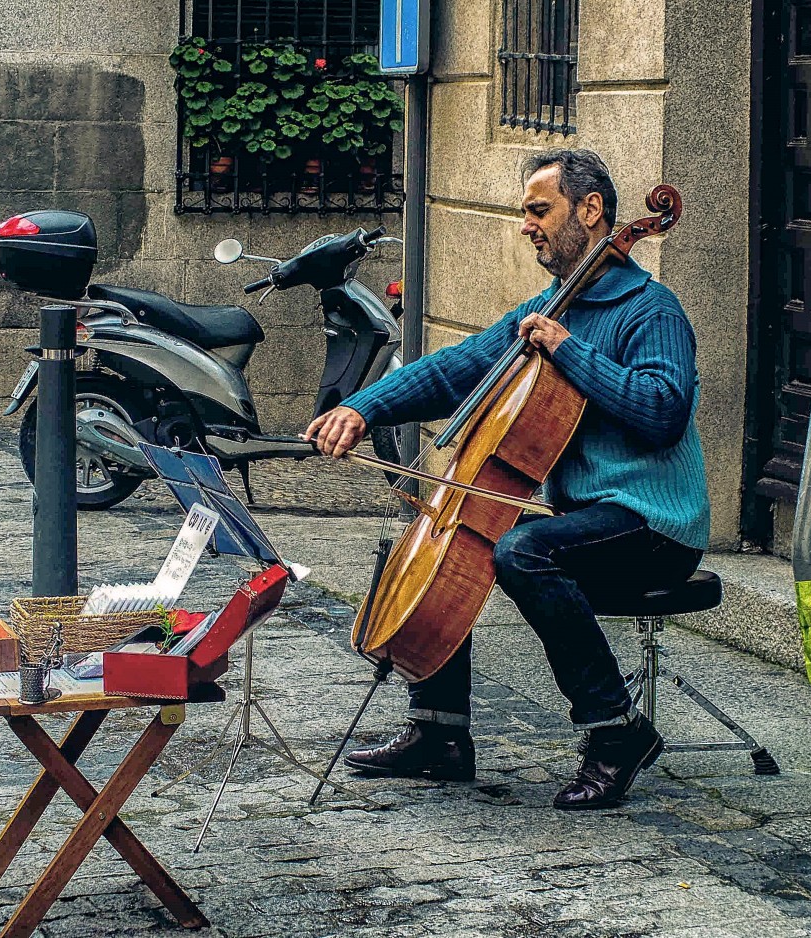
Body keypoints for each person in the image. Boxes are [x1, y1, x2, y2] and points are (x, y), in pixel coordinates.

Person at [302, 148, 711, 810]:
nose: (527, 225)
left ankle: (615, 732)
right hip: (582, 518)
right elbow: (451, 369)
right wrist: (359, 407)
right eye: (525, 212)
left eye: (538, 209)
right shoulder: (547, 306)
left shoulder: (649, 309)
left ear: (591, 210)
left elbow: (662, 414)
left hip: (653, 523)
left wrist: (567, 348)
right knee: (443, 533)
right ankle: (440, 734)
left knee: (524, 549)